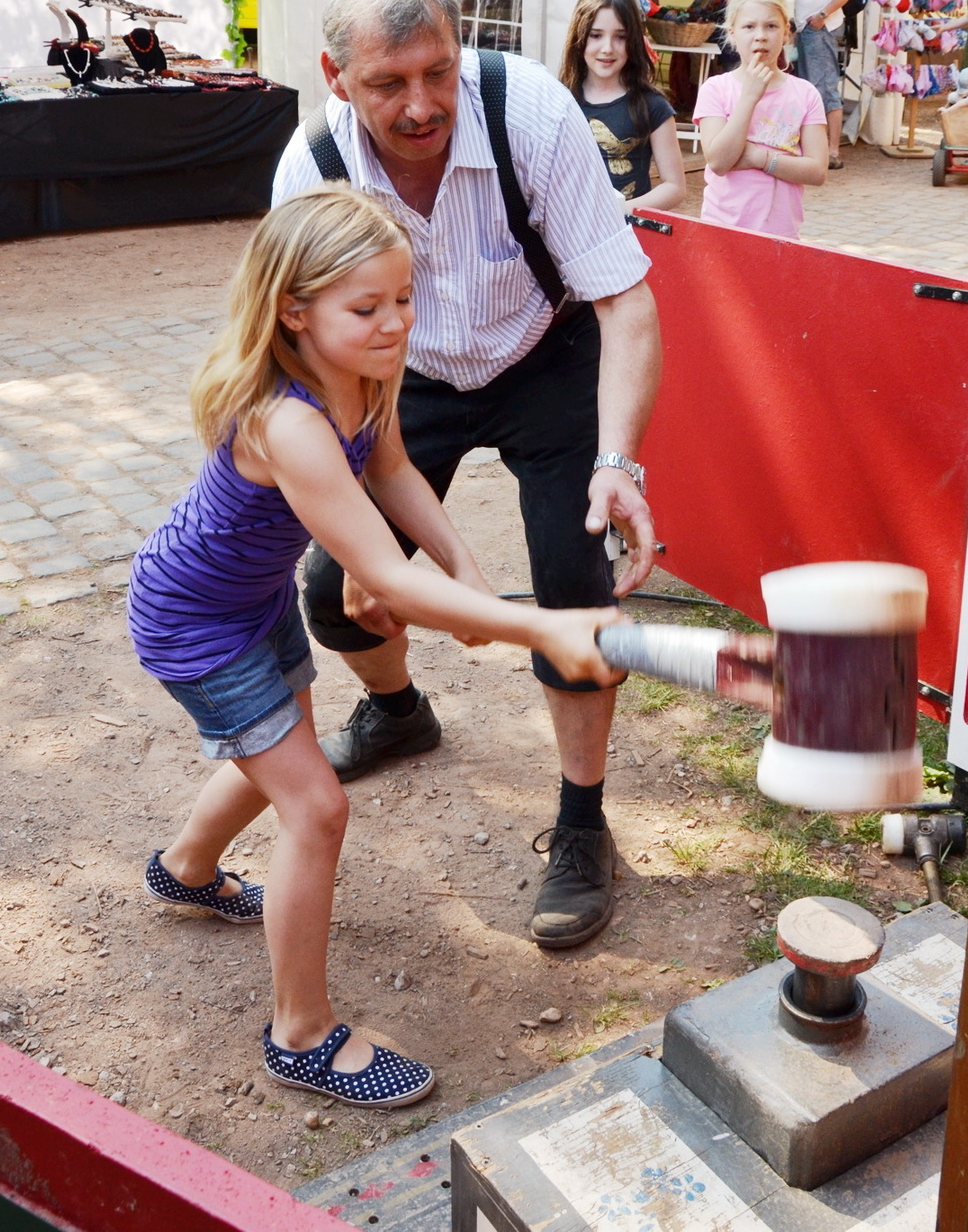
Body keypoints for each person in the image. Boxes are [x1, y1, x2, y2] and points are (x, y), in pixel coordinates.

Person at [126, 187, 622, 1105]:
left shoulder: (365, 374)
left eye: (403, 298)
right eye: (367, 307)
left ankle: (185, 871)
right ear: (293, 310)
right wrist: (540, 625)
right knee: (315, 807)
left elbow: (391, 471)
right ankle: (300, 1036)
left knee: (276, 753)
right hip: (193, 622)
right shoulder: (287, 421)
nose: (395, 323)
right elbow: (384, 577)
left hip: (253, 600)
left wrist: (468, 572)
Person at [271, 0, 661, 952]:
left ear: (462, 47)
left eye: (437, 71)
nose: (420, 106)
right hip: (401, 375)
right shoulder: (310, 170)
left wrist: (618, 462)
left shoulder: (530, 113)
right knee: (333, 593)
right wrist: (364, 539)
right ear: (334, 75)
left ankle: (582, 822)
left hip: (547, 353)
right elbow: (305, 354)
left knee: (574, 587)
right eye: (387, 83)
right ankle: (398, 710)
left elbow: (625, 301)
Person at [694, 0, 828, 237]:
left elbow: (817, 171)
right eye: (749, 26)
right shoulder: (716, 89)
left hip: (781, 236)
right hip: (722, 233)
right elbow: (719, 161)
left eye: (771, 26)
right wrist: (749, 97)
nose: (761, 36)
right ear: (732, 33)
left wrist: (759, 158)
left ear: (786, 31)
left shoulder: (805, 94)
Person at [560, 0, 685, 212]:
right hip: (567, 227)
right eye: (596, 35)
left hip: (626, 230)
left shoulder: (653, 105)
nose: (607, 48)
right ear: (579, 36)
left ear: (634, 41)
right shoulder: (558, 100)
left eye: (620, 37)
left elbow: (675, 187)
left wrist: (616, 212)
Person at [789, 0, 856, 170]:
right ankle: (818, 149)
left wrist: (822, 15)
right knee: (810, 87)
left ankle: (830, 151)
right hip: (808, 29)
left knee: (823, 88)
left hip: (821, 29)